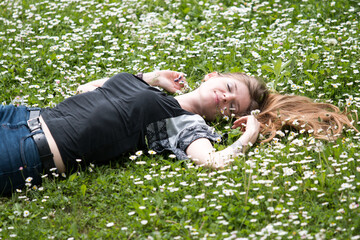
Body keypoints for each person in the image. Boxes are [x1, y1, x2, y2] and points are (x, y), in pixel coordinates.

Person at [0, 70, 355, 196]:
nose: (225, 98)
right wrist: (150, 79)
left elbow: (213, 162)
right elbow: (85, 92)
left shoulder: (185, 124)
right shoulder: (155, 90)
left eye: (232, 106)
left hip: (28, 150)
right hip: (18, 116)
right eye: (228, 87)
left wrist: (248, 136)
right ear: (213, 76)